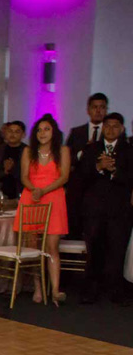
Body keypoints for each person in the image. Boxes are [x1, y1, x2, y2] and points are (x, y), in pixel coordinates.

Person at [14, 115, 71, 305]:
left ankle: (55, 290)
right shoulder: (28, 151)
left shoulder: (62, 150)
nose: (42, 133)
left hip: (54, 198)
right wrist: (33, 190)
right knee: (34, 247)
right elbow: (23, 176)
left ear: (54, 131)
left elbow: (64, 177)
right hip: (32, 198)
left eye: (46, 129)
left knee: (52, 247)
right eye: (39, 130)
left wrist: (44, 190)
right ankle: (38, 288)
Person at [79, 112, 131, 305]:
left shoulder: (129, 150)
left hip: (119, 211)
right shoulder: (92, 149)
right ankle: (90, 291)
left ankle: (116, 292)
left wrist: (114, 171)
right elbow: (81, 176)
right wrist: (99, 167)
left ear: (122, 129)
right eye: (107, 126)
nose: (111, 129)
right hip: (94, 210)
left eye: (115, 126)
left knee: (117, 252)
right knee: (95, 251)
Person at [66, 93, 109, 239]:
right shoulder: (77, 132)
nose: (98, 111)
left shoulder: (112, 131)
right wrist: (82, 153)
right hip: (79, 187)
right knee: (75, 226)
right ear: (88, 110)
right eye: (94, 107)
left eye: (102, 107)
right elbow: (67, 156)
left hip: (102, 187)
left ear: (106, 110)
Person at [0, 120, 27, 199]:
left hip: (22, 192)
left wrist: (12, 169)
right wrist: (5, 172)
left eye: (17, 132)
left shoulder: (27, 151)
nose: (13, 134)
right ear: (5, 133)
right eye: (10, 131)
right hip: (1, 194)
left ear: (23, 135)